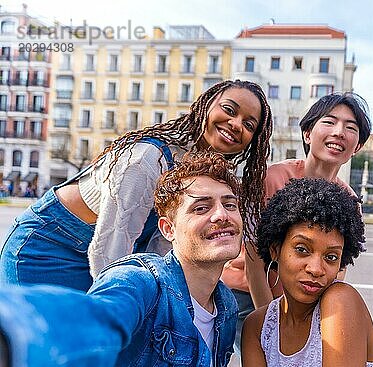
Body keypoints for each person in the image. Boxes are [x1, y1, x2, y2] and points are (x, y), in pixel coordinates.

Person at [0, 151, 240, 367]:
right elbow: (96, 318)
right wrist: (13, 339)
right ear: (168, 230)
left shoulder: (226, 306)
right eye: (201, 207)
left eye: (230, 204)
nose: (222, 215)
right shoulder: (141, 283)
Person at [0, 80, 272, 291]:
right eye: (228, 110)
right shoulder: (148, 158)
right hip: (50, 246)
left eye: (249, 124)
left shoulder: (200, 174)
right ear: (206, 106)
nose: (236, 124)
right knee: (54, 354)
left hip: (101, 255)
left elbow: (161, 252)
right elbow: (110, 247)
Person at [221, 92, 371, 349]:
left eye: (351, 127)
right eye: (329, 122)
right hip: (247, 295)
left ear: (357, 147)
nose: (339, 132)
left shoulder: (349, 200)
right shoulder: (272, 179)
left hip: (301, 304)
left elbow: (339, 269)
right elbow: (254, 260)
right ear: (307, 134)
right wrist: (270, 321)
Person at [240, 178, 373, 367]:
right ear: (275, 249)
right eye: (302, 249)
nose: (316, 269)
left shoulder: (340, 303)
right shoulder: (258, 327)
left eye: (331, 257)